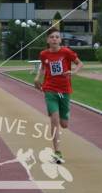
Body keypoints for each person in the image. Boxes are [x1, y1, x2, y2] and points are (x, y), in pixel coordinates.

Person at [34, 28, 83, 164]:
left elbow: (80, 63)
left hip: (64, 91)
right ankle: (57, 152)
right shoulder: (44, 54)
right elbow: (43, 68)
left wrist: (73, 72)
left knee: (64, 124)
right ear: (48, 40)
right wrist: (37, 78)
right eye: (52, 37)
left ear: (60, 40)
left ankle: (65, 115)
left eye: (57, 37)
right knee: (54, 122)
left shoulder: (66, 52)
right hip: (50, 90)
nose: (54, 39)